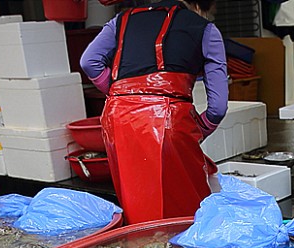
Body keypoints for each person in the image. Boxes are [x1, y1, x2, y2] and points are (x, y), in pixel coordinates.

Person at [80, 0, 228, 225]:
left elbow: (89, 62)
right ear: (200, 5)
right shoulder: (205, 29)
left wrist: (122, 94)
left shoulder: (119, 21)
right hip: (169, 120)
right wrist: (199, 129)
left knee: (136, 203)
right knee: (184, 210)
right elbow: (218, 108)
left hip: (118, 118)